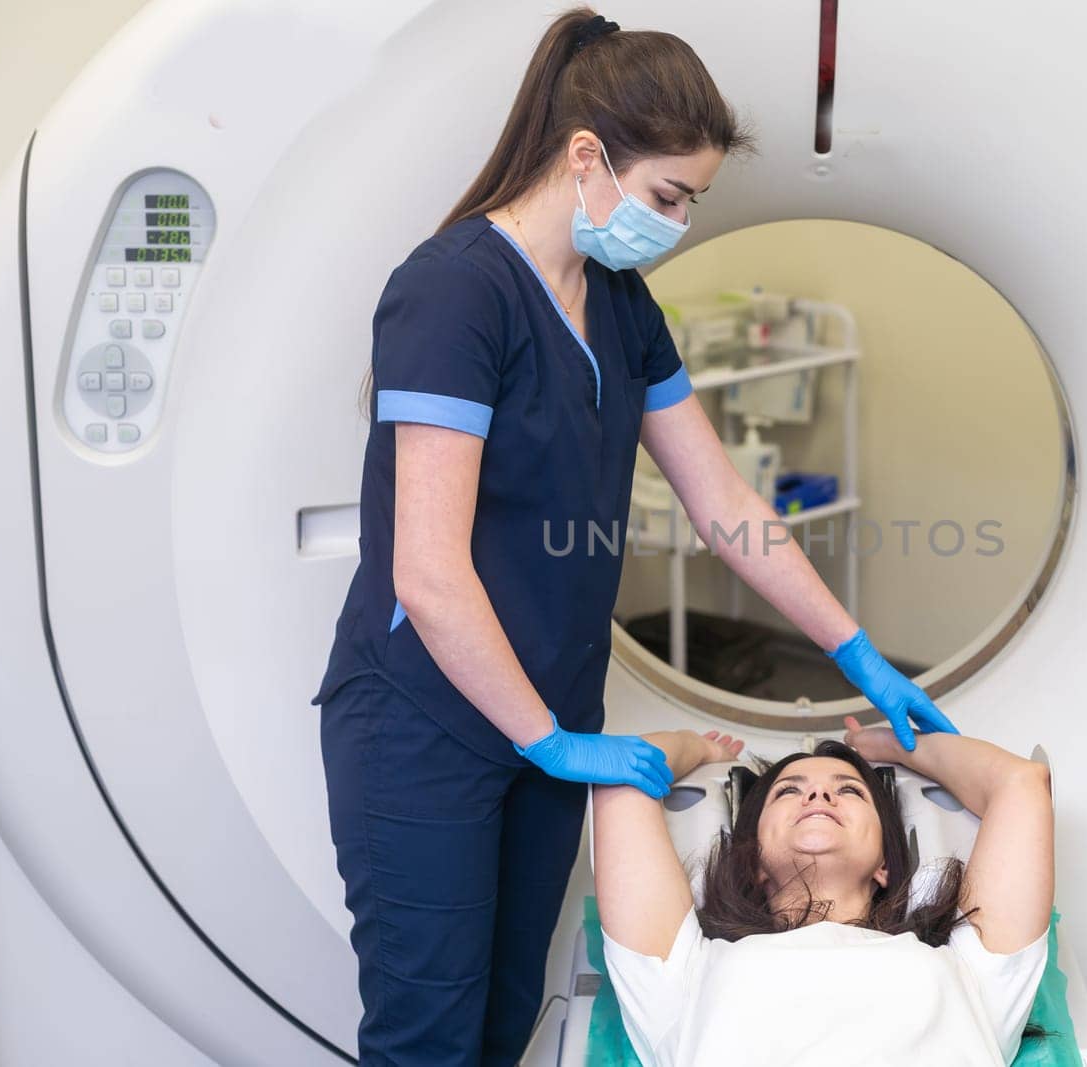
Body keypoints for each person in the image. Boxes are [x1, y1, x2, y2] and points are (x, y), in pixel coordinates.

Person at [310, 7, 960, 1064]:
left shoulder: (618, 299)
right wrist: (546, 739)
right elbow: (426, 575)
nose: (678, 222)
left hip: (551, 716)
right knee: (427, 1035)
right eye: (667, 195)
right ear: (585, 157)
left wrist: (857, 650)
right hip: (426, 725)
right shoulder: (450, 294)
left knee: (506, 1013)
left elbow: (725, 505)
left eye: (691, 202)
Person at [591, 718, 1055, 1066]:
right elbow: (623, 777)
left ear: (884, 866)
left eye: (850, 791)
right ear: (752, 861)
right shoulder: (686, 970)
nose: (818, 797)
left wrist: (888, 745)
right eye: (788, 791)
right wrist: (703, 746)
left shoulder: (970, 970)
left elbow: (1021, 783)